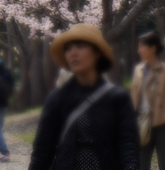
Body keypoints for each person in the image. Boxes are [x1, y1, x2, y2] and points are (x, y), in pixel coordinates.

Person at [29, 24, 141, 170]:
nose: (73, 53)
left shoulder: (117, 98)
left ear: (97, 52)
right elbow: (43, 150)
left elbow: (128, 142)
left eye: (80, 46)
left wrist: (131, 167)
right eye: (68, 48)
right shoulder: (57, 99)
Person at [130, 32, 165, 170]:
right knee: (141, 164)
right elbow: (134, 99)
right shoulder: (138, 70)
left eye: (142, 46)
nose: (139, 50)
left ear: (152, 48)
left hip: (163, 125)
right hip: (142, 122)